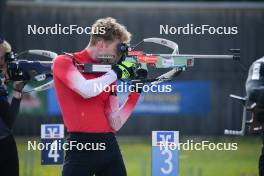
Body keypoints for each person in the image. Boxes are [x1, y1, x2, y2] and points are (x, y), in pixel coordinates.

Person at [53, 17, 142, 176]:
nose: (118, 57)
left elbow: (115, 123)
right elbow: (86, 90)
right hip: (81, 147)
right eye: (117, 50)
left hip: (109, 146)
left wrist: (136, 90)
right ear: (101, 44)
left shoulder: (108, 73)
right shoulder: (64, 61)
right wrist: (115, 73)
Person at [0, 37, 25, 176]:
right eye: (3, 57)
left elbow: (8, 123)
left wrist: (17, 92)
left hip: (6, 143)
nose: (5, 62)